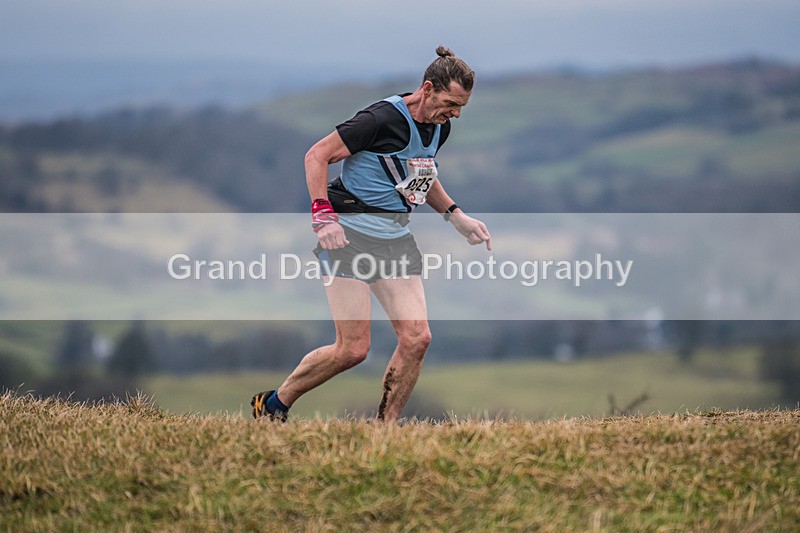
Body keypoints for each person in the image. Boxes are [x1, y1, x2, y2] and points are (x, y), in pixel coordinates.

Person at [251, 46, 491, 423]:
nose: (455, 114)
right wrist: (323, 217)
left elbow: (418, 172)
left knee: (417, 338)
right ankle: (273, 404)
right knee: (352, 349)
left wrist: (454, 214)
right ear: (428, 89)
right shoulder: (380, 119)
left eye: (461, 107)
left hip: (394, 237)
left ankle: (385, 430)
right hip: (348, 233)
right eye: (450, 103)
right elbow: (317, 155)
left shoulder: (440, 126)